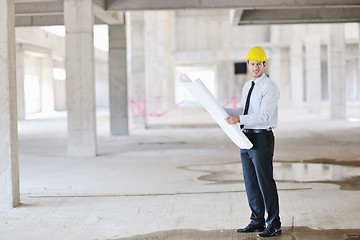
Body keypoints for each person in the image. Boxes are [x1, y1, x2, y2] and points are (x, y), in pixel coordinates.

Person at [224, 46, 281, 237]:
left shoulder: (270, 87)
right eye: (252, 63)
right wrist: (226, 112)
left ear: (264, 64)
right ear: (248, 64)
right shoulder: (248, 86)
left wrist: (239, 119)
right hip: (245, 136)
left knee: (264, 181)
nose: (255, 67)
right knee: (250, 182)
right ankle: (257, 220)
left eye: (258, 64)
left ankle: (274, 224)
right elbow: (245, 110)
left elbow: (264, 116)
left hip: (261, 137)